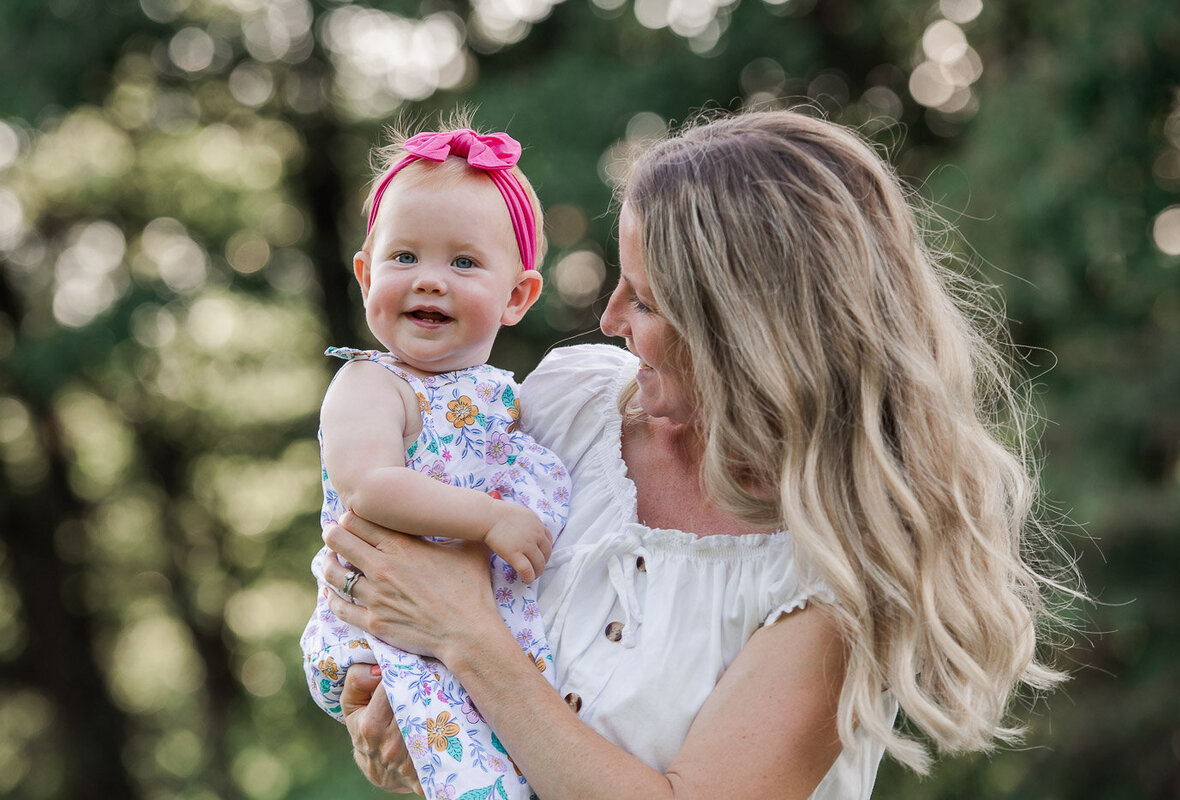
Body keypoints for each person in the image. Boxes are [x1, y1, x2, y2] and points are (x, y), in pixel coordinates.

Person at [318, 109, 1074, 799]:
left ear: (748, 335)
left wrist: (466, 638)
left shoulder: (836, 577)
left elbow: (463, 621)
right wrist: (398, 713)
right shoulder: (570, 408)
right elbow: (393, 563)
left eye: (645, 301)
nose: (609, 318)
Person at [299, 121, 570, 800]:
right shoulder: (371, 384)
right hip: (391, 628)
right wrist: (489, 518)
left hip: (469, 626)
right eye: (404, 257)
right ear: (365, 275)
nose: (429, 281)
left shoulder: (504, 396)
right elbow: (370, 486)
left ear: (517, 296)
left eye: (464, 263)